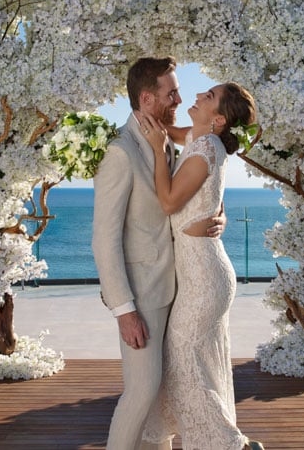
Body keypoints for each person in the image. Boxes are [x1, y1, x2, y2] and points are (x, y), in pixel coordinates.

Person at [91, 57, 226, 450]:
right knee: (142, 391)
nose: (180, 99)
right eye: (171, 93)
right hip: (144, 293)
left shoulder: (167, 136)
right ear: (148, 98)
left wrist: (217, 216)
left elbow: (201, 183)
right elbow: (104, 239)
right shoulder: (120, 152)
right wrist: (124, 310)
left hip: (182, 285)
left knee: (162, 395)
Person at [140, 83, 264, 450]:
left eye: (207, 97)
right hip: (202, 272)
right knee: (197, 361)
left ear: (220, 119)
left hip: (203, 278)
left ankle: (231, 444)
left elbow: (168, 202)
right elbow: (172, 133)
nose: (197, 96)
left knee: (186, 363)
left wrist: (156, 153)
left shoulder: (207, 147)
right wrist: (156, 126)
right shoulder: (202, 137)